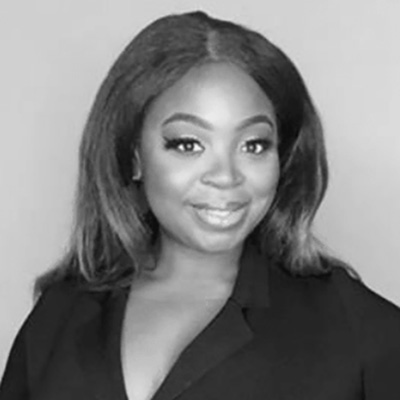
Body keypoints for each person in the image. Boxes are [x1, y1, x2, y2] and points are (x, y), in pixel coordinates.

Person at [1, 10, 400, 400]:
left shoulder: (348, 323)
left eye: (253, 145)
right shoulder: (61, 312)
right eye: (188, 144)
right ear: (134, 155)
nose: (225, 176)